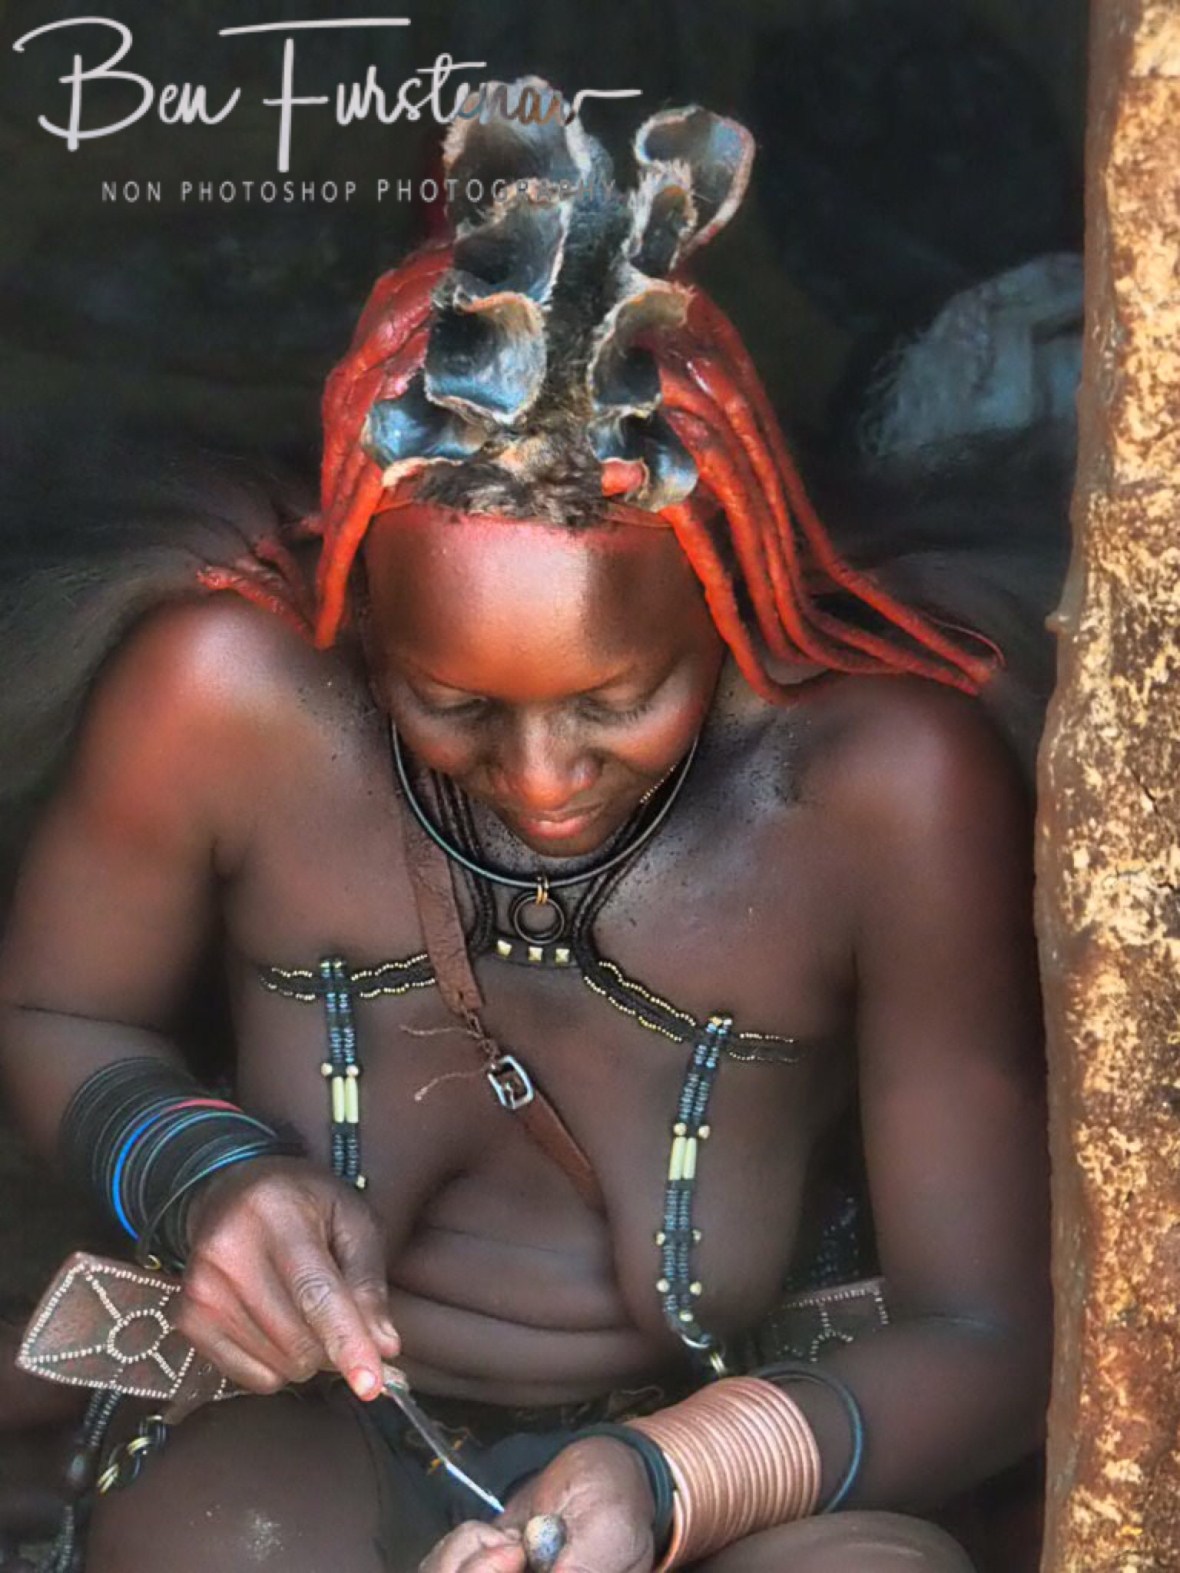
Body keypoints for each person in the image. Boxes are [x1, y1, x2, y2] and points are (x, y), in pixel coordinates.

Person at [0, 90, 1050, 1573]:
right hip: (304, 1443)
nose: (544, 777)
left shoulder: (878, 790)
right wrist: (202, 1173)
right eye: (454, 708)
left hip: (740, 1451)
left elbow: (998, 1330)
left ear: (728, 600)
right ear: (366, 623)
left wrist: (671, 1476)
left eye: (620, 701)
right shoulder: (226, 702)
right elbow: (56, 1008)